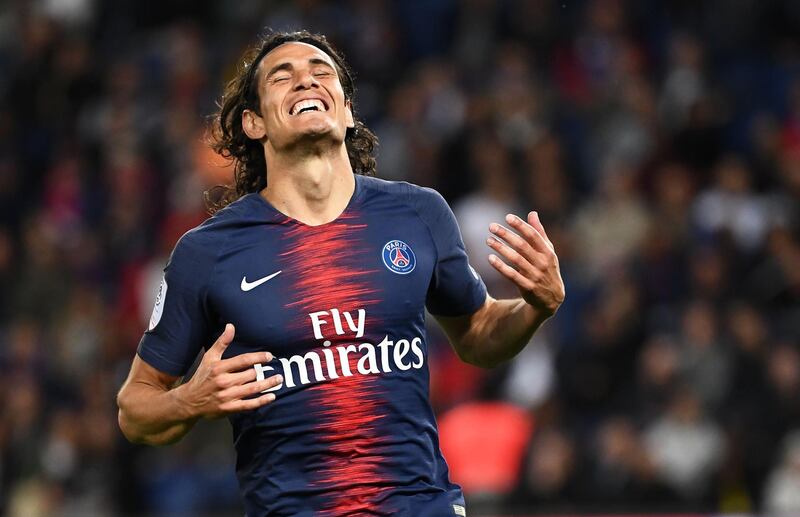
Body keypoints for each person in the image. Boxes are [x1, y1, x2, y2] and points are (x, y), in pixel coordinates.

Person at [116, 30, 565, 516]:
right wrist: (189, 401)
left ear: (347, 110)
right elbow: (134, 409)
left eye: (321, 73)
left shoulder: (418, 213)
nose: (306, 82)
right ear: (253, 123)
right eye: (283, 78)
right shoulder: (208, 252)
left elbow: (477, 335)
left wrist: (535, 307)